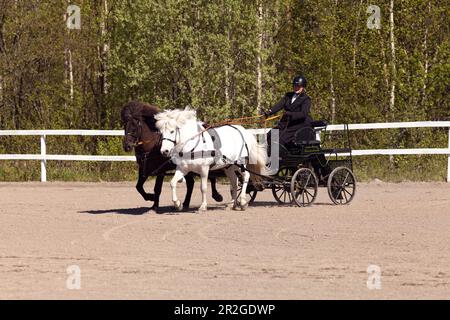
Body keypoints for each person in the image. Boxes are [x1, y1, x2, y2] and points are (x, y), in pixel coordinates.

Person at [263, 75, 314, 151]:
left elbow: (303, 114)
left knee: (280, 138)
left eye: (298, 86)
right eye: (295, 86)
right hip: (287, 123)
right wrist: (269, 112)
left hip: (299, 124)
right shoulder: (288, 95)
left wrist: (290, 114)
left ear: (303, 87)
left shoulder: (306, 99)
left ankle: (277, 160)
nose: (296, 88)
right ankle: (270, 157)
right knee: (270, 134)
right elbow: (279, 105)